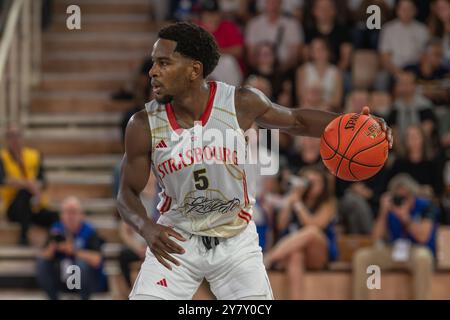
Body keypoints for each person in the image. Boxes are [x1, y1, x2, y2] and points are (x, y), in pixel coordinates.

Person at [117, 22, 392, 300]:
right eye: (154, 63)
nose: (153, 71)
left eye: (164, 63)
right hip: (176, 240)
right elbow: (126, 193)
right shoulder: (143, 125)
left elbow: (296, 120)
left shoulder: (239, 102)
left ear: (194, 70)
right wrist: (146, 227)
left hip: (235, 241)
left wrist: (356, 125)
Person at [352, 174, 439, 300]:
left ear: (413, 195)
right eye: (398, 197)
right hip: (394, 250)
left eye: (405, 197)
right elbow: (375, 238)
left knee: (423, 258)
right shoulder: (390, 207)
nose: (401, 201)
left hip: (416, 250)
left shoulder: (426, 206)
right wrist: (383, 212)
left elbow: (423, 237)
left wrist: (405, 218)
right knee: (362, 257)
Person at [263, 165, 338, 299]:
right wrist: (290, 202)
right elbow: (280, 225)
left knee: (311, 232)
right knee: (295, 256)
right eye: (308, 181)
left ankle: (269, 258)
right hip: (295, 252)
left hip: (319, 253)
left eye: (316, 182)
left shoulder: (328, 203)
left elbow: (314, 225)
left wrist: (298, 204)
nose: (312, 186)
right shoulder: (295, 198)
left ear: (324, 185)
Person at [36, 197, 107, 300]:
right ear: (61, 216)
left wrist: (73, 251)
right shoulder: (56, 230)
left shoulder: (89, 231)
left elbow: (97, 260)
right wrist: (53, 247)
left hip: (88, 281)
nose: (70, 216)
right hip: (62, 278)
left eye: (73, 212)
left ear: (81, 215)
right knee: (42, 263)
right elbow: (43, 255)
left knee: (81, 264)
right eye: (67, 212)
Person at [0, 125, 58, 245]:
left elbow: (43, 181)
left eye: (17, 135)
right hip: (13, 207)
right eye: (11, 136)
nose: (15, 139)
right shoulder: (2, 157)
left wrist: (34, 186)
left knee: (54, 216)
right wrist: (27, 184)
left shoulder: (34, 155)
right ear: (7, 140)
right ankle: (23, 236)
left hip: (34, 204)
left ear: (22, 138)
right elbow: (3, 179)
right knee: (24, 193)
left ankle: (51, 244)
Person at [377, 0, 429, 90]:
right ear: (397, 10)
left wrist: (413, 73)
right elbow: (384, 58)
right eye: (403, 9)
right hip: (394, 70)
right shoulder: (388, 29)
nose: (406, 12)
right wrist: (399, 74)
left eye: (409, 9)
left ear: (415, 10)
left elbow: (425, 56)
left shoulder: (423, 30)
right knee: (381, 78)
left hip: (416, 70)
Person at [245, 0, 304, 72]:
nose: (273, 5)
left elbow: (295, 55)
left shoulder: (292, 24)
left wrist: (279, 71)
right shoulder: (254, 24)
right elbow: (251, 54)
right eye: (270, 2)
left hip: (284, 71)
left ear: (281, 4)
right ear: (265, 3)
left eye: (276, 2)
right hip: (259, 70)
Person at [296, 37, 343, 111]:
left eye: (321, 48)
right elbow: (301, 97)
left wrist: (322, 103)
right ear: (311, 52)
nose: (318, 52)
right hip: (308, 109)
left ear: (327, 51)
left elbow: (337, 100)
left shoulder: (335, 72)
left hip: (328, 110)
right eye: (315, 49)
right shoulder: (302, 70)